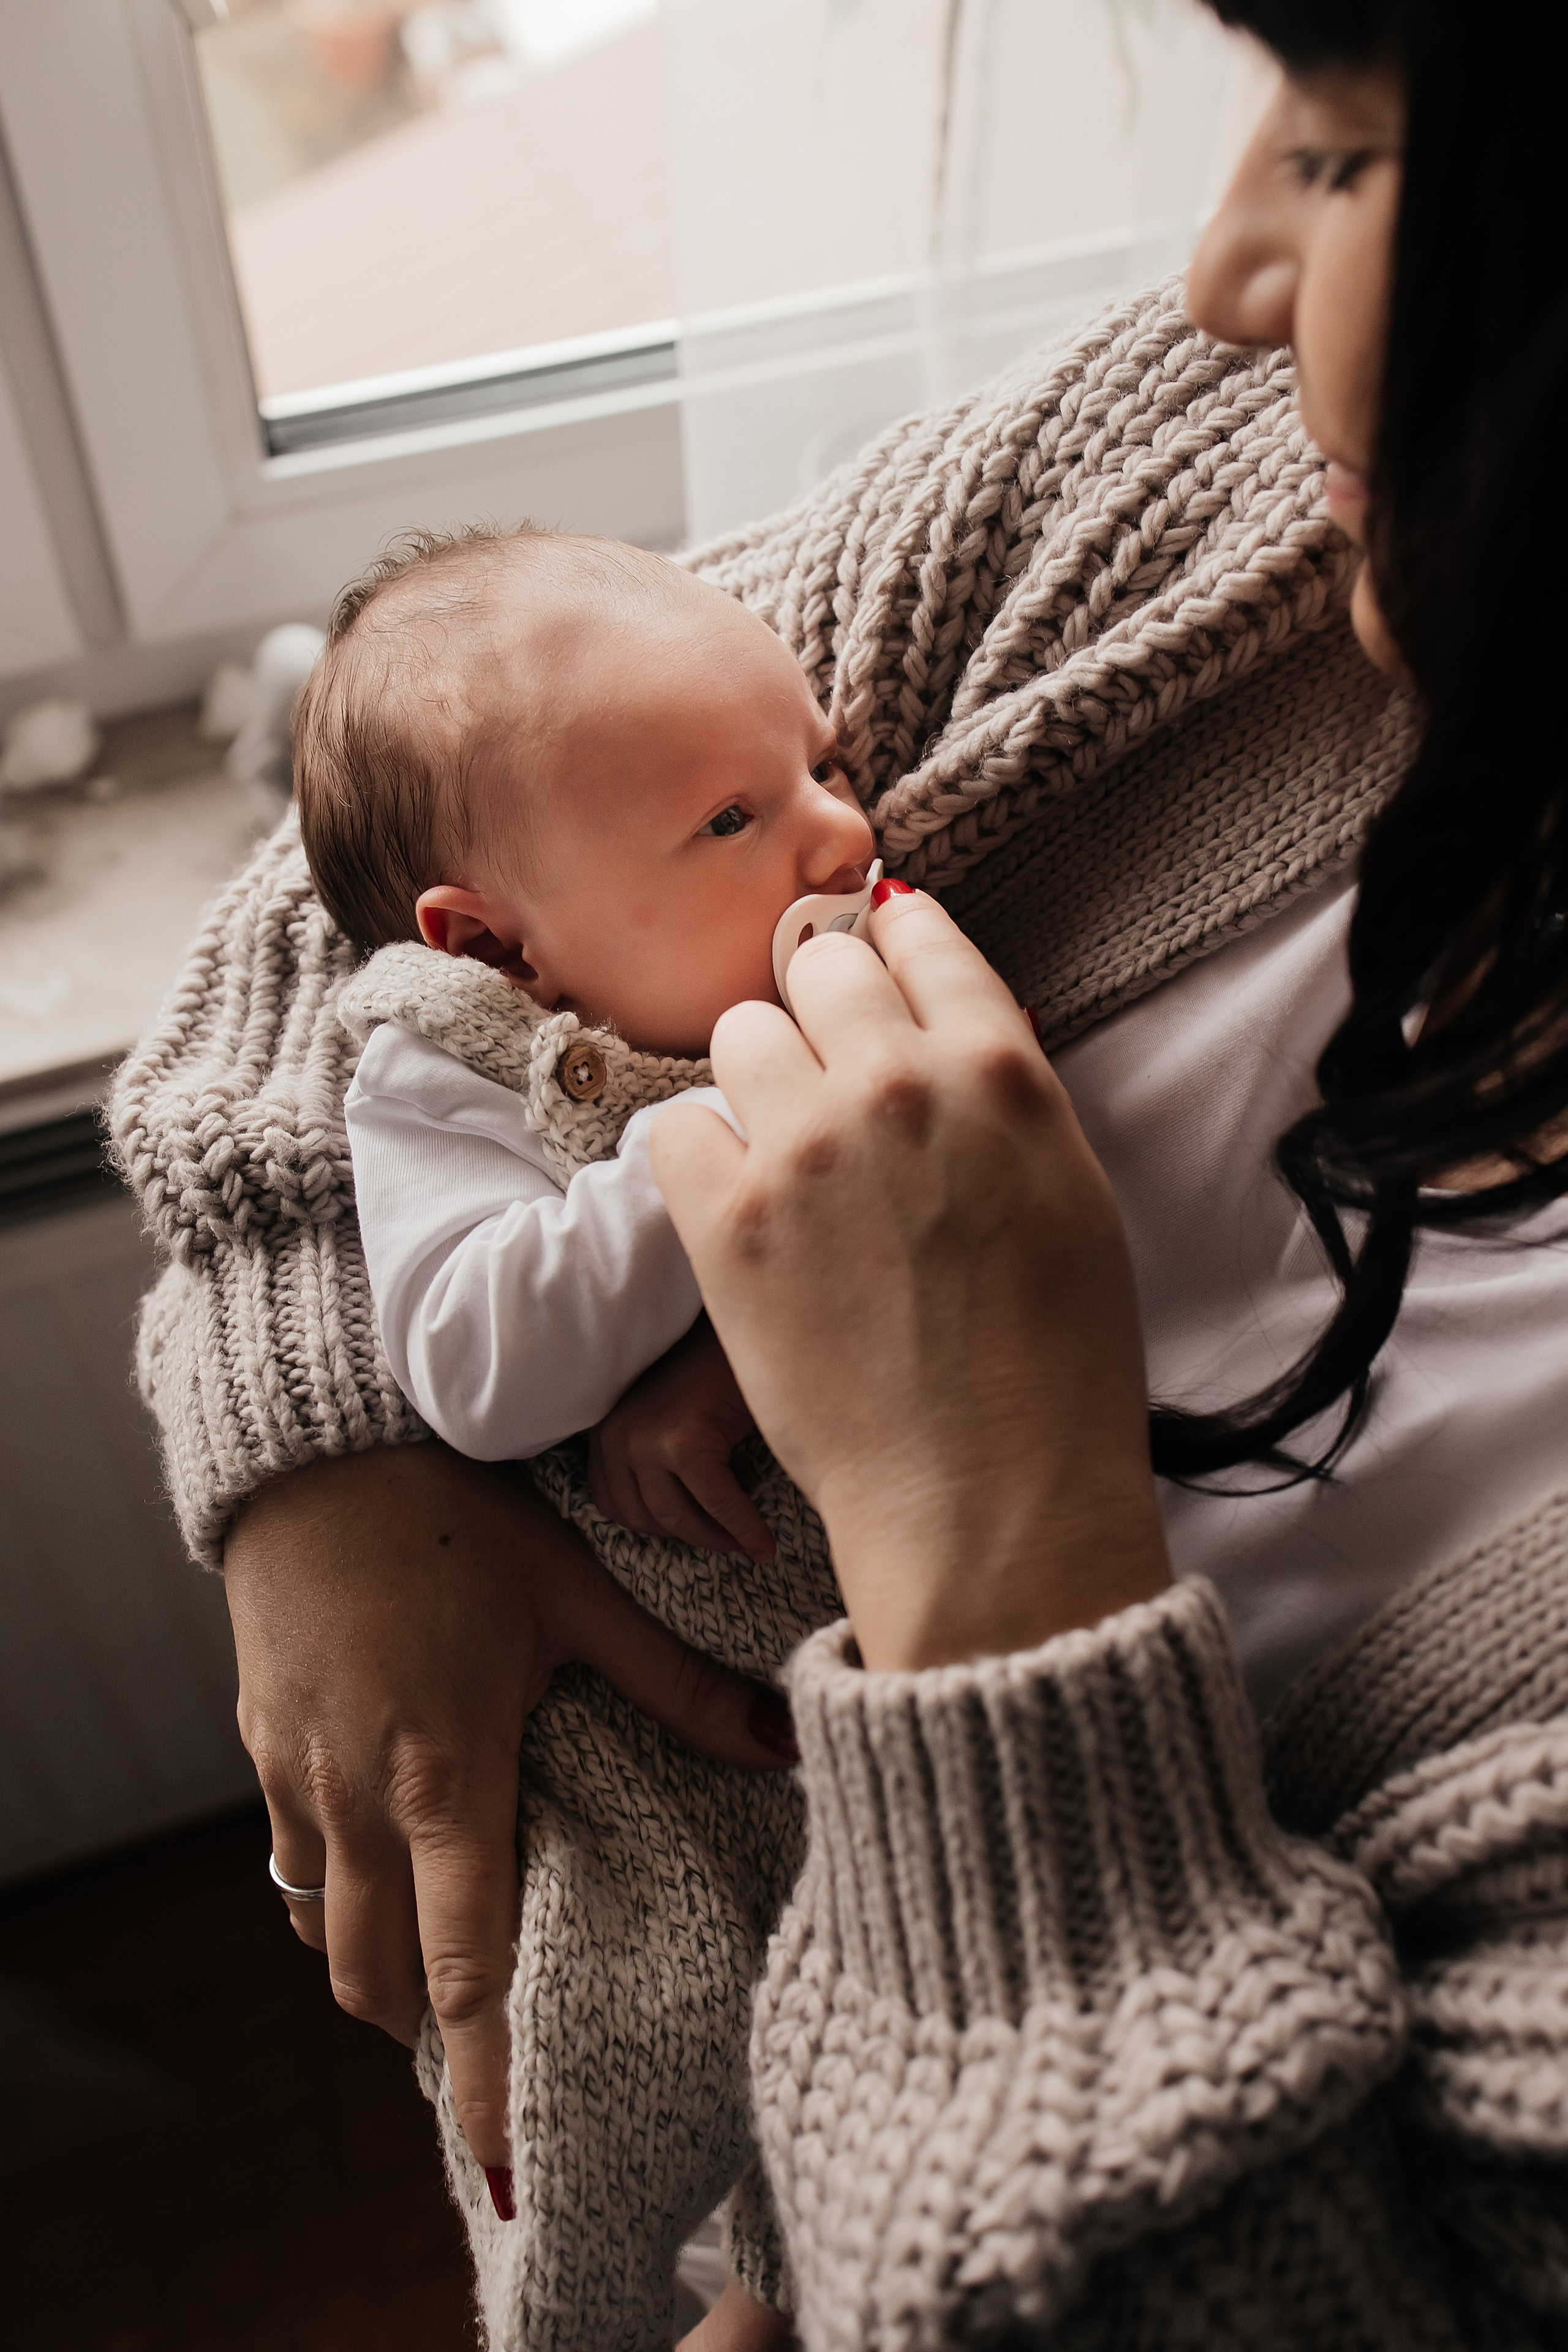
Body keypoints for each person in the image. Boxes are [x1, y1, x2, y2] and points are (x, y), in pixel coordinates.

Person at [108, 0, 1568, 2340]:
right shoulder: (1234, 483)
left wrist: (1001, 1561)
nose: (1218, 266)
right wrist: (342, 1453)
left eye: (1351, 149)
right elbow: (385, 852)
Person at [302, 527, 874, 1561]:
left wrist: (723, 1375)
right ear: (496, 945)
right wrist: (735, 1115)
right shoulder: (441, 1077)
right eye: (733, 820)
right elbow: (475, 1373)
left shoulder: (862, 955)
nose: (848, 835)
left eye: (825, 764)